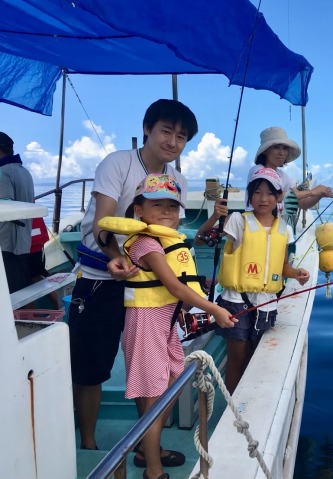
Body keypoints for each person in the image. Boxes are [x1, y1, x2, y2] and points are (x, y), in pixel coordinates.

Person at [67, 99, 198, 463]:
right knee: (92, 364)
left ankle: (146, 445)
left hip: (149, 289)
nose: (173, 141)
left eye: (182, 136)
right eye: (166, 131)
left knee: (150, 367)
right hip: (100, 278)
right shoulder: (117, 163)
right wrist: (116, 258)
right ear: (147, 128)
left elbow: (167, 233)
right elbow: (102, 222)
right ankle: (90, 445)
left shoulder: (178, 181)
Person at [100, 174, 235, 479]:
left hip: (164, 322)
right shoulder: (145, 243)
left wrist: (187, 309)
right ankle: (153, 470)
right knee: (154, 399)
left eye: (172, 207)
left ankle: (146, 447)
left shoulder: (164, 238)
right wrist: (215, 308)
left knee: (165, 385)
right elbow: (174, 286)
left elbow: (176, 287)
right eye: (156, 204)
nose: (165, 211)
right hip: (147, 324)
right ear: (139, 210)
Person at [215, 167, 310, 394]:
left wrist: (296, 273)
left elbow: (282, 265)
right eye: (257, 192)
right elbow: (209, 239)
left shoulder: (284, 229)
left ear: (279, 197)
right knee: (237, 357)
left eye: (269, 193)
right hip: (236, 299)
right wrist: (215, 219)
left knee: (256, 355)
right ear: (250, 196)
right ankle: (232, 408)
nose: (263, 198)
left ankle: (247, 399)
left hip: (266, 302)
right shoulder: (238, 220)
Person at [248, 127, 333, 213]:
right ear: (265, 150)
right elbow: (279, 195)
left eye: (285, 148)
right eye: (276, 147)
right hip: (254, 223)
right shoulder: (257, 170)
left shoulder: (283, 176)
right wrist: (312, 192)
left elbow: (302, 203)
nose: (281, 153)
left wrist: (320, 194)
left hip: (275, 224)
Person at [0, 132, 35, 293]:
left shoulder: (3, 172)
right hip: (24, 241)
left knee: (10, 289)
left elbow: (5, 205)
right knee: (20, 285)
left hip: (7, 244)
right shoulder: (24, 171)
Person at [25, 216, 60, 309]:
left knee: (24, 285)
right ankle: (57, 307)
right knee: (38, 277)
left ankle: (31, 319)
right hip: (37, 244)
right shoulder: (32, 208)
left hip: (23, 248)